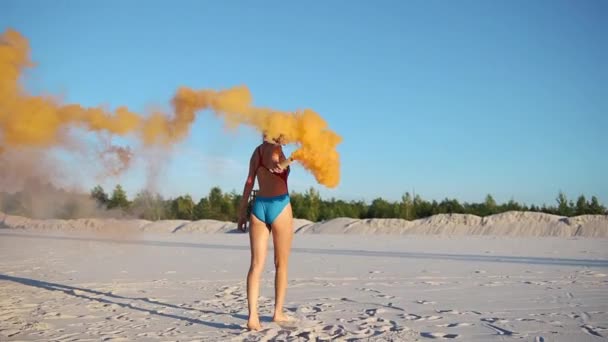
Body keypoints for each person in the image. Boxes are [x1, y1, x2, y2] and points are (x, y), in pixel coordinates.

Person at [237, 134, 294, 331]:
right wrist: (295, 158)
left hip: (258, 207)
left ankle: (253, 317)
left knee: (255, 265)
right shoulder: (276, 150)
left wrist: (242, 212)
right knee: (281, 263)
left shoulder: (257, 151)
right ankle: (277, 312)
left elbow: (249, 181)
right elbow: (278, 166)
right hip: (280, 206)